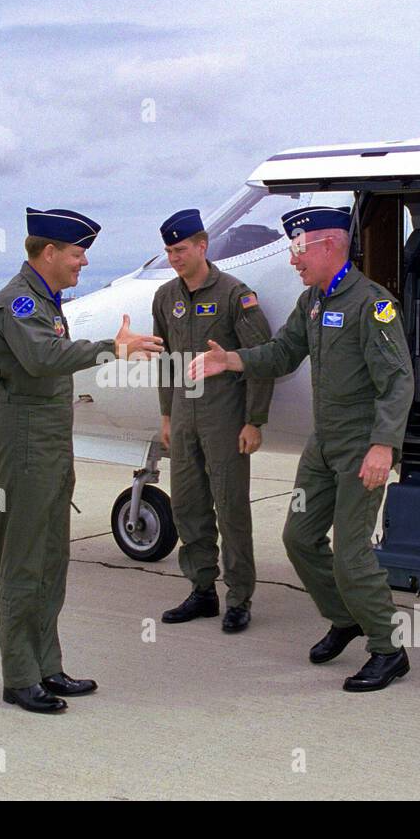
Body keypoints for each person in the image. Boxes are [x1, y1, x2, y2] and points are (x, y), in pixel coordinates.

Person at [188, 205, 415, 692]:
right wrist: (231, 359)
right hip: (324, 443)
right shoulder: (312, 301)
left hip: (360, 447)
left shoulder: (372, 304)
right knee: (299, 537)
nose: (292, 259)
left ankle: (388, 648)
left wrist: (383, 446)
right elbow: (283, 354)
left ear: (330, 245)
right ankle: (343, 616)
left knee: (351, 555)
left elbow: (398, 382)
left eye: (297, 248)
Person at [0, 207, 163, 713]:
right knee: (23, 561)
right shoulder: (19, 303)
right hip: (23, 442)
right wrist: (112, 348)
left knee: (51, 560)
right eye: (77, 253)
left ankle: (46, 666)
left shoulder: (47, 301)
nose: (82, 263)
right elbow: (42, 358)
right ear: (49, 253)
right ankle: (19, 676)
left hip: (48, 440)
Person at [152, 208, 273, 633]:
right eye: (168, 250)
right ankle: (202, 590)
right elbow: (165, 361)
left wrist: (254, 420)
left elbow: (261, 359)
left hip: (225, 418)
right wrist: (166, 415)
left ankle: (239, 597)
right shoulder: (166, 297)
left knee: (231, 508)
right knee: (187, 505)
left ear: (202, 246)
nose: (174, 257)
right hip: (184, 417)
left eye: (180, 249)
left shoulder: (235, 294)